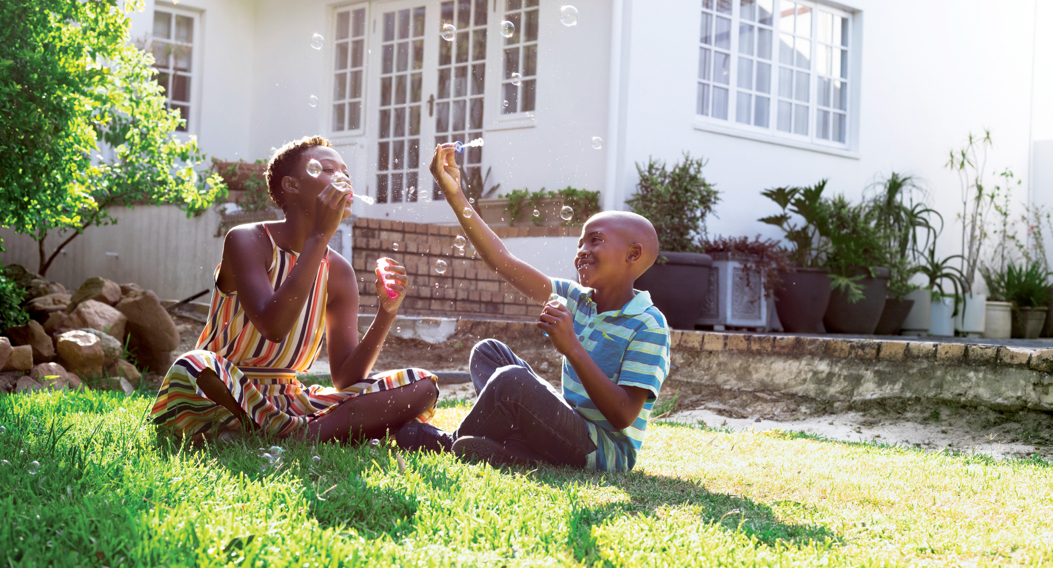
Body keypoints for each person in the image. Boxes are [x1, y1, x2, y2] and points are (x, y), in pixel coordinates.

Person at [395, 143, 670, 472]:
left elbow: (623, 415)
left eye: (595, 240)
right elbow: (502, 261)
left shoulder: (648, 325)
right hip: (565, 424)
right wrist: (454, 194)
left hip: (600, 451)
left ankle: (452, 443)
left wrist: (573, 349)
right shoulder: (577, 297)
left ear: (633, 254)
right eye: (580, 242)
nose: (581, 250)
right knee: (490, 353)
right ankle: (518, 449)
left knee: (513, 381)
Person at [151, 136, 439, 443]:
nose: (342, 178)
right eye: (328, 169)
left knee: (422, 385)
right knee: (193, 365)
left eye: (346, 174)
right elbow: (273, 326)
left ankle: (293, 435)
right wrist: (319, 237)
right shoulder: (248, 240)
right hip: (228, 387)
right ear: (292, 186)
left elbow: (346, 379)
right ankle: (312, 431)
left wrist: (386, 313)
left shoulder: (339, 271)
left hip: (293, 401)